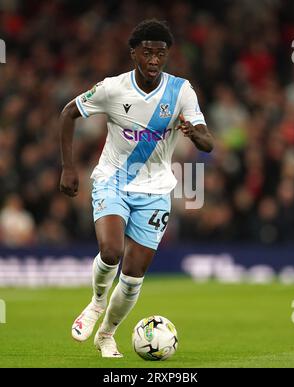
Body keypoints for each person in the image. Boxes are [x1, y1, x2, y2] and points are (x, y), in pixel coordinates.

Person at [59, 19, 213, 358]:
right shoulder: (113, 89)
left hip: (156, 189)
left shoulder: (180, 91)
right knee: (111, 251)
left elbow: (207, 142)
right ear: (134, 54)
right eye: (148, 53)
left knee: (133, 273)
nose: (155, 60)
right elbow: (68, 113)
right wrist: (69, 167)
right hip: (113, 179)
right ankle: (97, 304)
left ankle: (106, 335)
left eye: (161, 54)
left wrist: (194, 132)